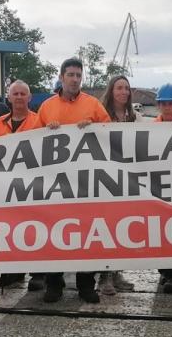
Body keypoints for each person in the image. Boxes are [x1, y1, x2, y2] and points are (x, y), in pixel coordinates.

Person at [38, 57, 111, 303]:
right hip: (54, 182)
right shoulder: (46, 107)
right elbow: (32, 142)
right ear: (61, 77)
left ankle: (86, 285)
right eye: (70, 74)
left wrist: (93, 127)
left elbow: (110, 136)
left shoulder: (94, 105)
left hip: (87, 182)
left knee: (87, 233)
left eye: (78, 75)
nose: (75, 79)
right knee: (54, 232)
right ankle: (54, 284)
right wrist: (47, 131)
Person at [0, 80, 46, 292]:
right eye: (16, 93)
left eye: (24, 93)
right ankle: (12, 270)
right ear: (9, 97)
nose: (20, 97)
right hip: (6, 186)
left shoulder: (40, 122)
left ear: (30, 98)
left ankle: (38, 273)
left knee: (36, 228)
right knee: (10, 228)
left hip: (34, 184)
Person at [96, 75, 139, 296]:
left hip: (127, 179)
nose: (124, 92)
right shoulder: (101, 116)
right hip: (105, 179)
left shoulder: (135, 118)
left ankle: (116, 272)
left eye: (127, 88)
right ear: (111, 91)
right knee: (107, 227)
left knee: (122, 227)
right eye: (119, 88)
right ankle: (104, 276)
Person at [152, 83, 172, 293]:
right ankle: (166, 272)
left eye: (171, 103)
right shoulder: (150, 128)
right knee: (161, 231)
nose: (167, 107)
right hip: (159, 186)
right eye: (163, 104)